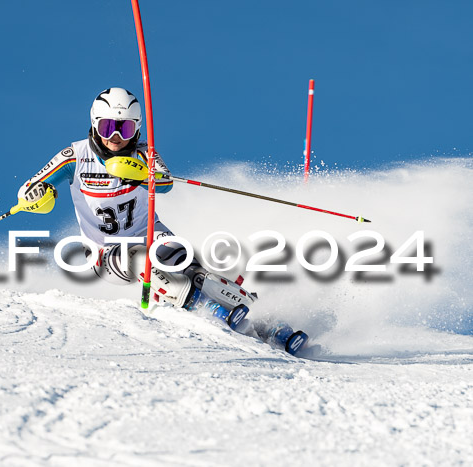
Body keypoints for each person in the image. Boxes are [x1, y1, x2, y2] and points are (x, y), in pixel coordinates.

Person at [16, 87, 308, 355]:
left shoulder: (144, 153)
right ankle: (201, 305)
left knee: (190, 264)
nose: (115, 137)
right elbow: (29, 188)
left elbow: (166, 183)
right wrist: (36, 194)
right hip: (105, 253)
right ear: (94, 124)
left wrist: (143, 174)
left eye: (125, 128)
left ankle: (267, 323)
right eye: (107, 127)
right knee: (141, 260)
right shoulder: (74, 156)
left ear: (137, 128)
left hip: (150, 233)